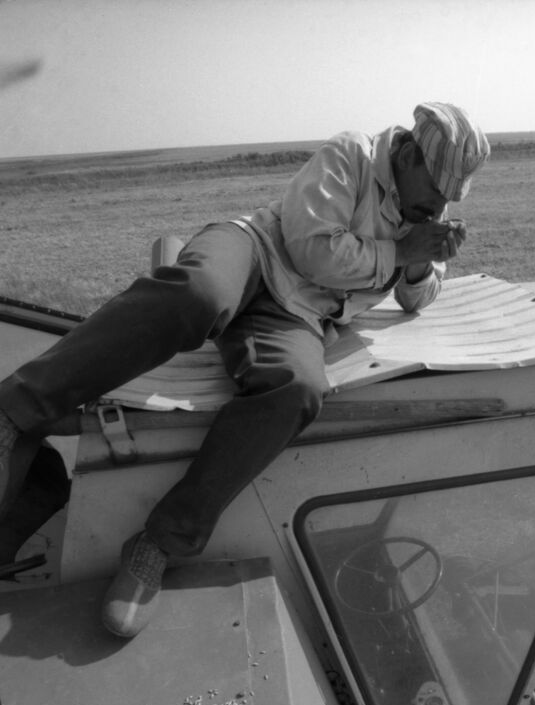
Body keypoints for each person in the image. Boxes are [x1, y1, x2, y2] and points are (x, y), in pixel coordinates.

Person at [0, 101, 489, 638]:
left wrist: (418, 261)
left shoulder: (429, 210)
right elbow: (310, 250)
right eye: (436, 187)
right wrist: (398, 252)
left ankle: (159, 544)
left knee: (298, 389)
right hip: (255, 250)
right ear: (409, 153)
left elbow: (418, 297)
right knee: (198, 294)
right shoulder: (352, 154)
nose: (440, 203)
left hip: (298, 311)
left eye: (450, 196)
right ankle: (17, 408)